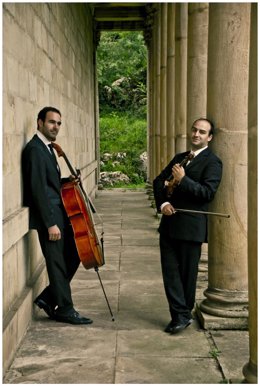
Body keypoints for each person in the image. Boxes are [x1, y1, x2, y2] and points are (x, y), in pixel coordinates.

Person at [22, 106, 93, 325]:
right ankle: (64, 308)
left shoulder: (48, 148)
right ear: (40, 123)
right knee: (57, 263)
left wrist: (68, 182)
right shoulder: (34, 149)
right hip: (49, 219)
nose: (56, 127)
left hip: (59, 214)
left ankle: (47, 297)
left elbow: (50, 184)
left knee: (75, 253)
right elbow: (37, 190)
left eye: (59, 123)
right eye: (52, 122)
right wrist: (50, 223)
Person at [153, 118, 222, 334]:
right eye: (194, 130)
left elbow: (207, 193)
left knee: (187, 275)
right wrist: (163, 203)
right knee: (170, 274)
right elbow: (158, 181)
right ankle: (179, 315)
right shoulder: (180, 157)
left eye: (202, 132)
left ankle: (183, 313)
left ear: (209, 137)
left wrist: (183, 180)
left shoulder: (213, 162)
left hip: (191, 228)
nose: (196, 134)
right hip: (169, 224)